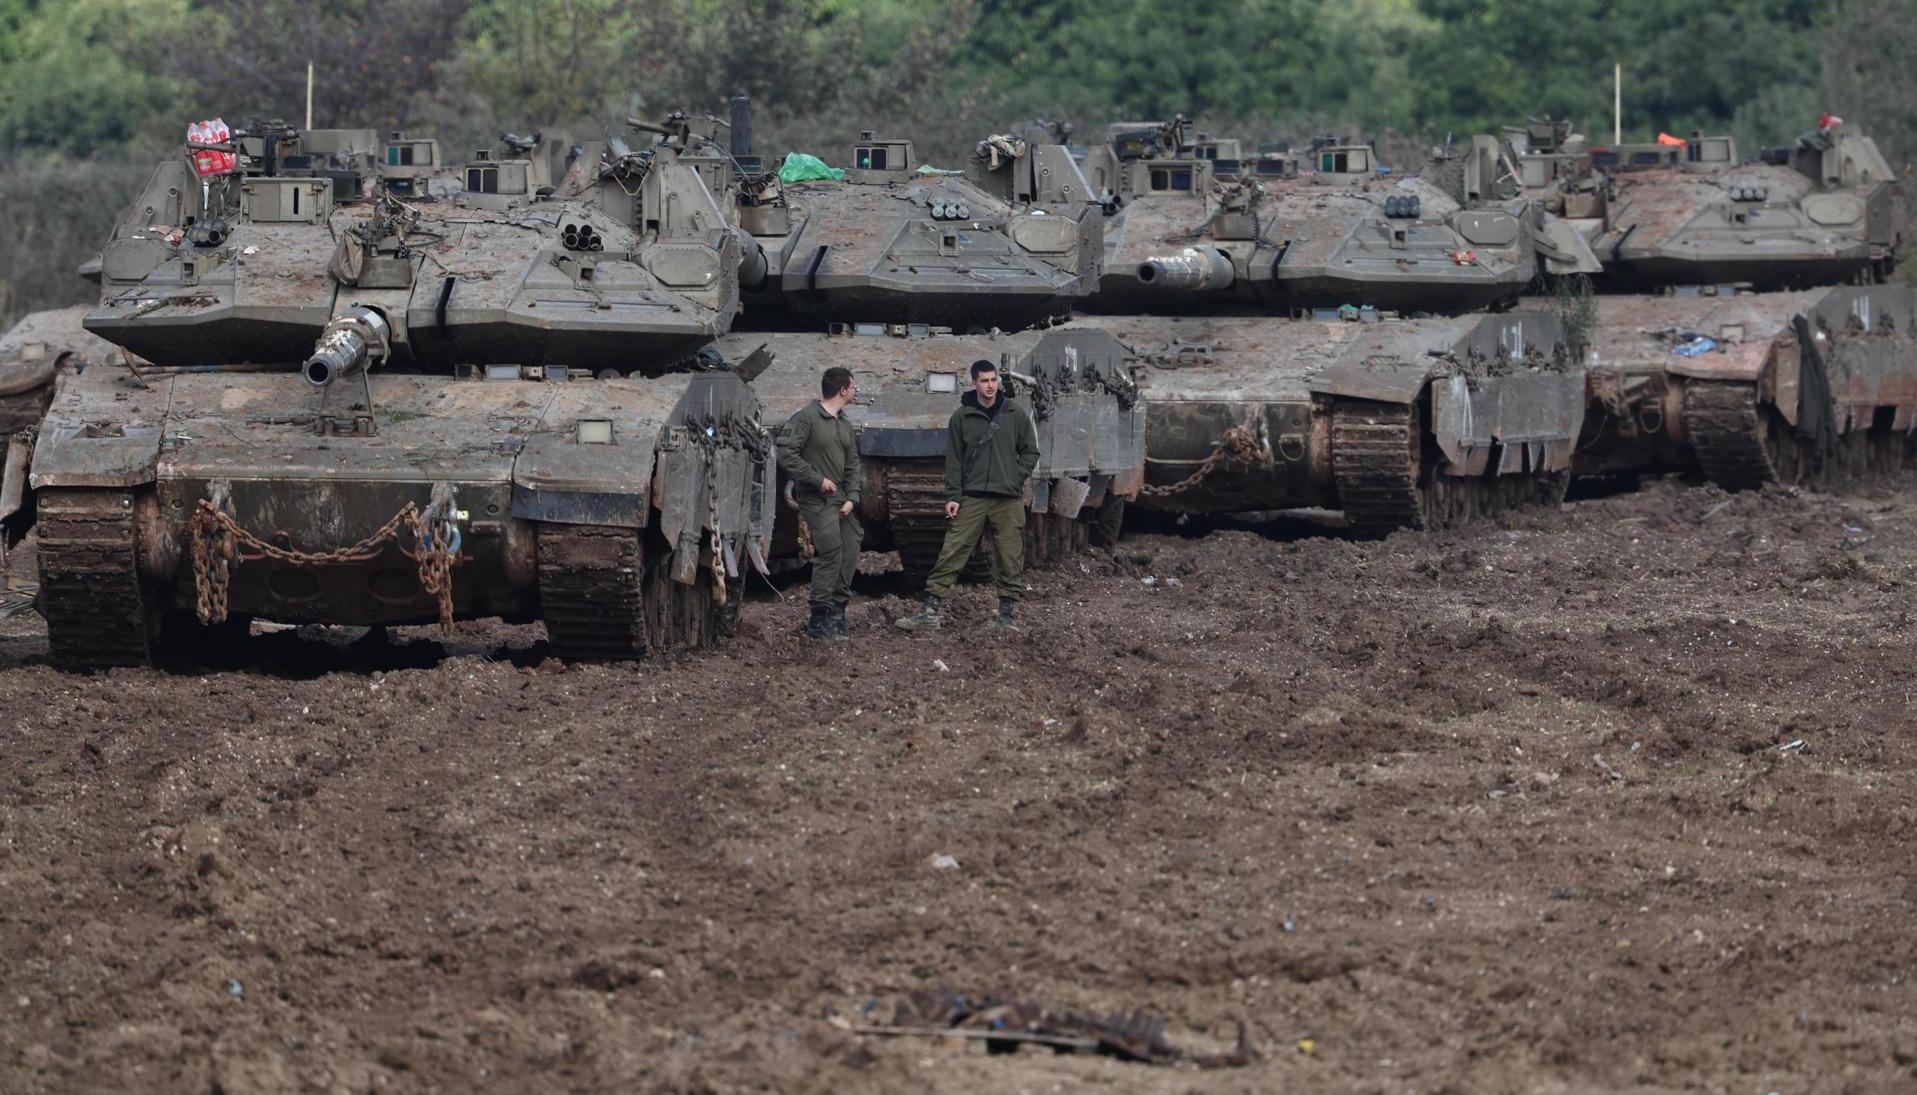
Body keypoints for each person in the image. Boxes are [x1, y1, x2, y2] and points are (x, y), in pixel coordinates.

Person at [896, 359, 1039, 632]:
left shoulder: (1014, 414)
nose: (990, 385)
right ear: (974, 383)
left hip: (1007, 498)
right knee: (953, 549)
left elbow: (1031, 451)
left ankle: (1006, 615)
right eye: (984, 380)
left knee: (1009, 555)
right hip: (973, 496)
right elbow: (954, 462)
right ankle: (929, 609)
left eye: (993, 380)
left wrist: (1014, 475)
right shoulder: (961, 417)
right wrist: (953, 495)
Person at [777, 366, 861, 641]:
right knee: (831, 551)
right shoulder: (807, 419)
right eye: (853, 385)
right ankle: (818, 618)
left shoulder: (844, 423)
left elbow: (852, 465)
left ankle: (837, 611)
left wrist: (852, 497)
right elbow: (787, 453)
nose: (856, 390)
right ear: (843, 390)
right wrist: (816, 479)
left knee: (850, 547)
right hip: (816, 498)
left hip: (841, 500)